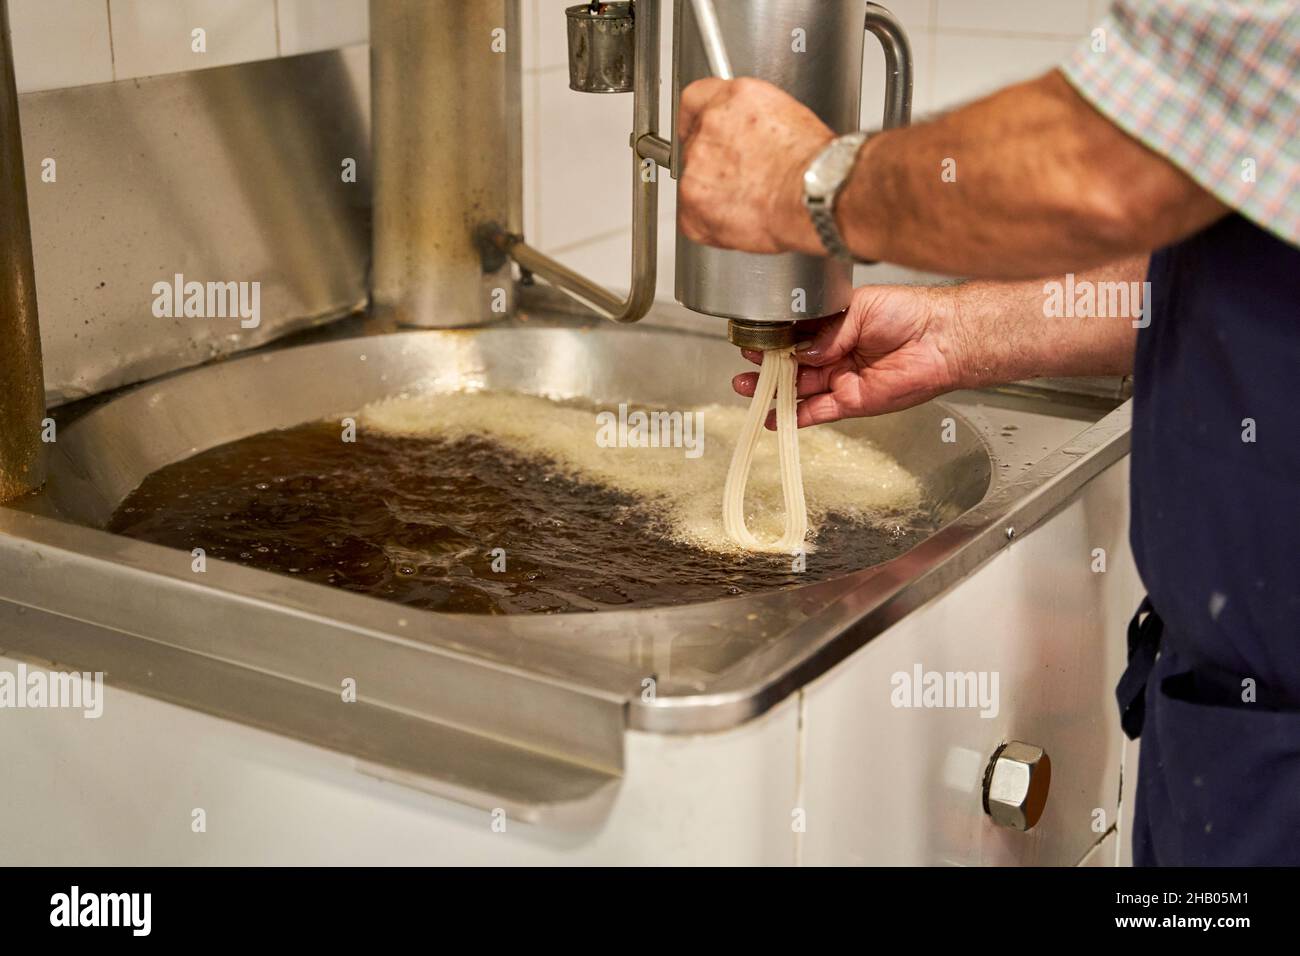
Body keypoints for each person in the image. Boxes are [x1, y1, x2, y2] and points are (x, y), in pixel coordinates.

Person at [676, 0, 1300, 866]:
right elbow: (1230, 231)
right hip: (1230, 725)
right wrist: (964, 332)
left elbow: (1108, 168)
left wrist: (807, 182)